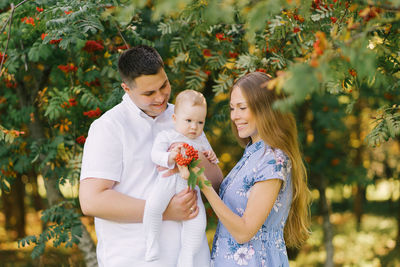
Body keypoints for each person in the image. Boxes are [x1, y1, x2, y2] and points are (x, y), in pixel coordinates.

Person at [78, 45, 223, 267]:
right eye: (149, 93)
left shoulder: (184, 117)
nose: (160, 97)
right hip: (136, 259)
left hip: (193, 258)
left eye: (164, 85)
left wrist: (191, 154)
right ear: (126, 88)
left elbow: (215, 181)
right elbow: (91, 201)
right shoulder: (109, 127)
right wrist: (166, 211)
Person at [192, 72, 311, 266]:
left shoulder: (273, 159)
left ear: (264, 108)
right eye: (232, 108)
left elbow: (244, 231)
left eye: (242, 108)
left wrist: (203, 185)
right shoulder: (253, 152)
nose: (234, 116)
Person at [144, 90, 218, 267]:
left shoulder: (200, 140)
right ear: (175, 119)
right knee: (153, 207)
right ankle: (151, 243)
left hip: (191, 186)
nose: (194, 127)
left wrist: (211, 156)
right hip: (167, 181)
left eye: (200, 122)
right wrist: (169, 157)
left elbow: (212, 162)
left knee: (198, 222)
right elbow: (155, 155)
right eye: (189, 121)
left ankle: (187, 256)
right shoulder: (167, 136)